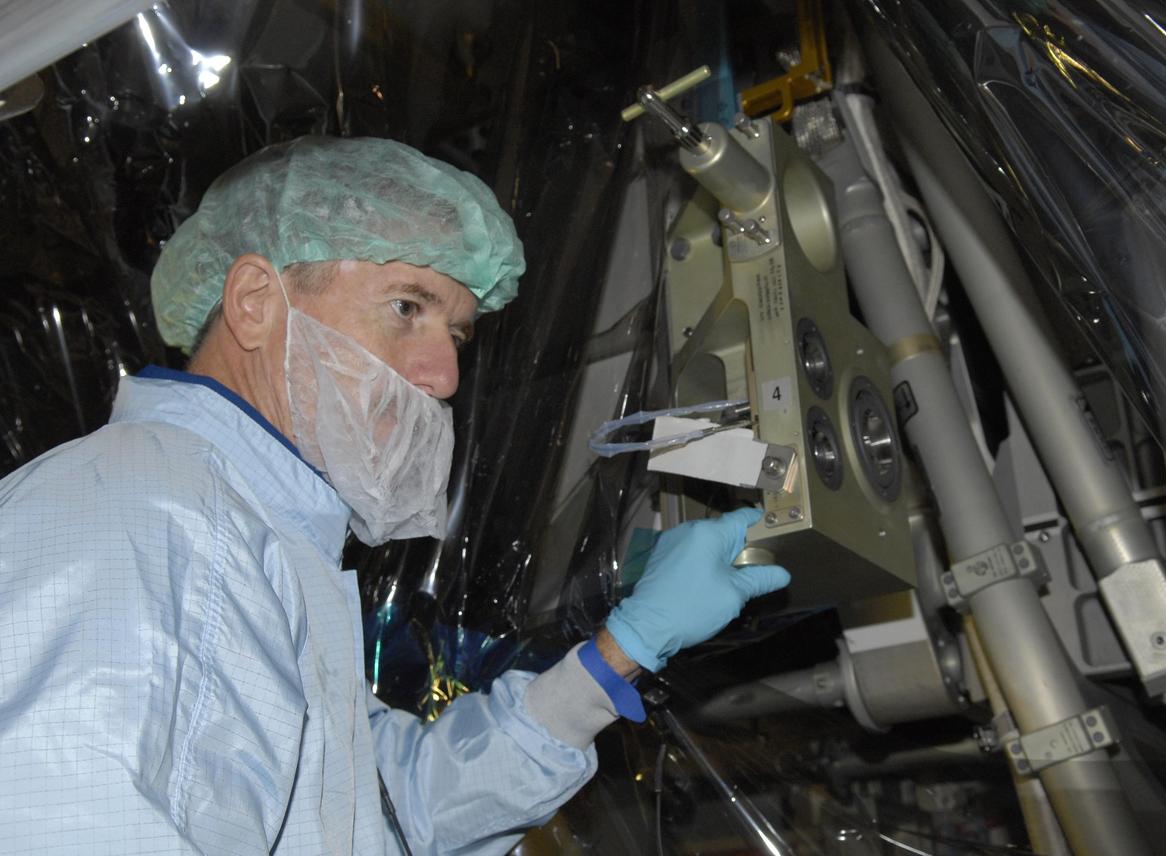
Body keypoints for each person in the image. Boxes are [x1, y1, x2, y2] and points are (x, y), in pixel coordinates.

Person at [0, 135, 790, 855]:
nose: (443, 377)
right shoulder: (150, 517)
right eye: (407, 308)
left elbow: (392, 807)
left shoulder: (251, 540)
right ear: (253, 303)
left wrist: (622, 652)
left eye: (457, 336)